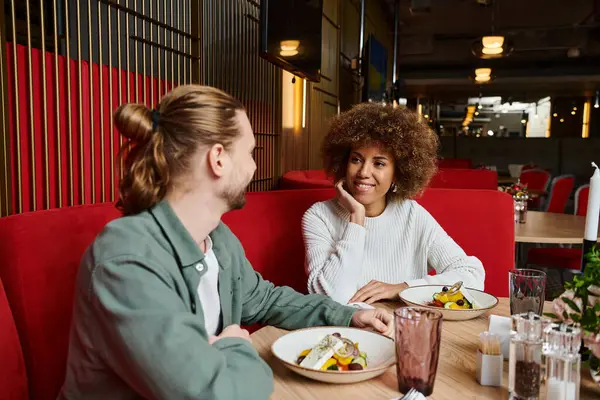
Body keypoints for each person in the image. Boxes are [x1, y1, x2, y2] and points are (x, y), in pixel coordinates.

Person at [59, 85, 392, 400]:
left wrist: (347, 316)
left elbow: (264, 299)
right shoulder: (126, 261)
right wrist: (237, 346)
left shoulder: (216, 238)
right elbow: (211, 393)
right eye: (249, 153)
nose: (254, 166)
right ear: (218, 159)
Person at [302, 103, 485, 305]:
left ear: (398, 174)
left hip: (406, 328)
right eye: (356, 159)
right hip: (348, 332)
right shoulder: (319, 216)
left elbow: (472, 275)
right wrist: (357, 219)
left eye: (379, 163)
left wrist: (404, 288)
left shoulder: (412, 216)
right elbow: (329, 298)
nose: (363, 172)